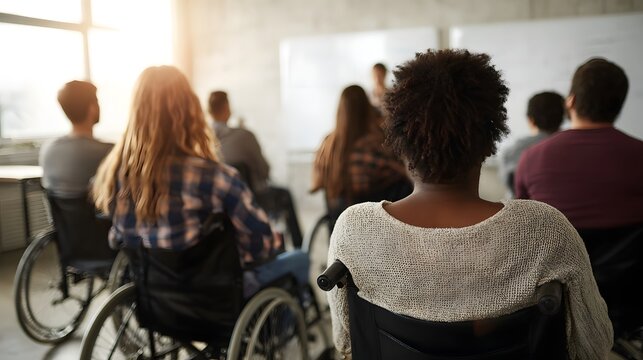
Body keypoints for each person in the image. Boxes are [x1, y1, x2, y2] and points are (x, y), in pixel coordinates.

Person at [327, 49, 612, 359]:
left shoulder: (354, 230)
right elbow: (593, 344)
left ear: (399, 141)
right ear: (489, 138)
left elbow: (347, 342)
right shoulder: (545, 232)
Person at [92, 66, 307, 298]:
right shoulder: (214, 177)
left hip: (155, 297)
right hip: (212, 299)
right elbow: (260, 244)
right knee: (300, 259)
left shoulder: (115, 174)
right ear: (189, 110)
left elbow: (117, 239)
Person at [514, 58, 643, 229]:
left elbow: (521, 222)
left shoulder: (532, 158)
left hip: (558, 256)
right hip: (630, 256)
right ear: (619, 106)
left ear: (571, 101)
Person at [208, 91, 303, 248]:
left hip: (221, 205)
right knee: (285, 195)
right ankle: (299, 250)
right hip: (254, 198)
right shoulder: (244, 136)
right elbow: (265, 170)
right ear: (227, 107)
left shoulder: (203, 141)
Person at [311, 85, 410, 226]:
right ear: (366, 109)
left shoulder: (327, 144)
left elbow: (316, 183)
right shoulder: (372, 144)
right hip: (373, 230)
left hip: (338, 229)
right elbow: (403, 174)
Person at [39, 81, 113, 198]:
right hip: (99, 215)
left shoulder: (48, 149)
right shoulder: (109, 151)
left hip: (59, 217)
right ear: (92, 108)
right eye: (97, 101)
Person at [498, 91, 565, 195]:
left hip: (522, 208)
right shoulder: (575, 148)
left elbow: (512, 189)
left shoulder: (513, 151)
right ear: (563, 117)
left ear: (530, 119)